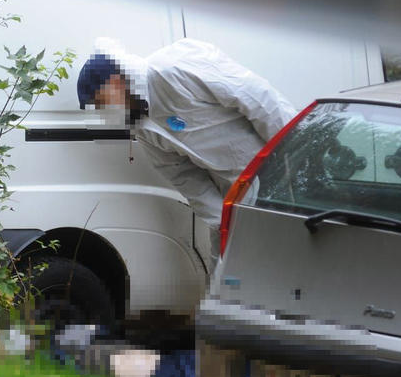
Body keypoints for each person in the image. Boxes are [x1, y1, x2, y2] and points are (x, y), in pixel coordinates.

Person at [76, 38, 296, 269]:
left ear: (116, 80)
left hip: (279, 169)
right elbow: (184, 177)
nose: (104, 111)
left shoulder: (172, 68)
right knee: (226, 271)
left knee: (290, 260)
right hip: (234, 195)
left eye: (101, 101)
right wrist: (224, 222)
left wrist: (296, 148)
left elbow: (256, 98)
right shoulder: (141, 126)